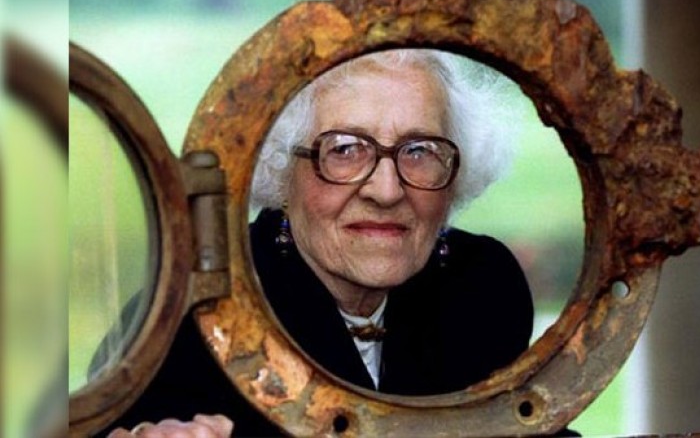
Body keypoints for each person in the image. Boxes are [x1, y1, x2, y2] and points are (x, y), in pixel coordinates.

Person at [102, 50, 578, 437]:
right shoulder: (192, 315)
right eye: (345, 150)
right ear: (280, 170)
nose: (386, 191)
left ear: (454, 177)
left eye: (419, 151)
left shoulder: (481, 287)